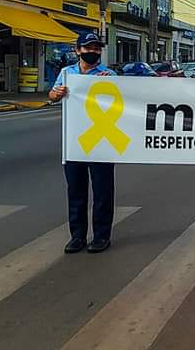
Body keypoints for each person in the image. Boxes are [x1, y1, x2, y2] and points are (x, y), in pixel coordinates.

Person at [48, 31, 118, 254]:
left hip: (102, 141)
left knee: (102, 192)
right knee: (76, 192)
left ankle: (101, 236)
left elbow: (123, 103)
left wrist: (112, 87)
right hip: (75, 142)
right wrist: (56, 93)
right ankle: (77, 236)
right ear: (78, 50)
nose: (93, 52)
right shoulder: (67, 73)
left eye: (97, 48)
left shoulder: (109, 75)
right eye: (88, 48)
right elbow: (52, 95)